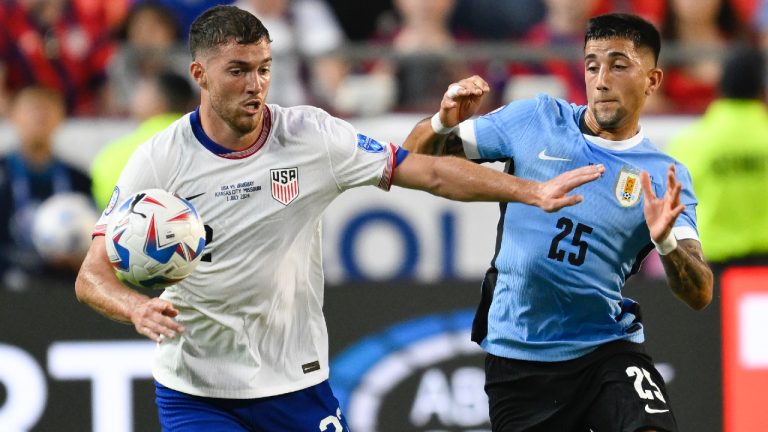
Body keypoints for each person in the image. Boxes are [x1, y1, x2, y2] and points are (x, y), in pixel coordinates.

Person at [74, 6, 605, 431]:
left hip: (296, 381)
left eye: (263, 69)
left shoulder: (312, 137)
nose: (255, 85)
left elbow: (430, 172)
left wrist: (530, 190)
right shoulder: (159, 159)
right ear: (200, 75)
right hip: (196, 390)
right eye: (237, 71)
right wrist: (137, 309)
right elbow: (91, 277)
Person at [403, 13, 713, 431]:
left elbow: (700, 293)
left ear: (652, 80)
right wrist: (442, 121)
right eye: (591, 65)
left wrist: (667, 244)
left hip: (606, 350)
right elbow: (413, 159)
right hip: (519, 358)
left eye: (618, 65)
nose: (601, 79)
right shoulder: (536, 119)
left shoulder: (662, 175)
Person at [666, 44, 768, 268]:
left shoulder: (689, 142)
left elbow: (671, 206)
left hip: (713, 269)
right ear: (762, 91)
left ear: (719, 89)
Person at [0, 86, 92, 291]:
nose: (39, 116)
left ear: (61, 116)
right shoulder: (4, 173)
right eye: (32, 108)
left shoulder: (79, 179)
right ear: (12, 115)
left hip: (65, 289)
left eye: (47, 109)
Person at [91, 71, 195, 210]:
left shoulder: (113, 154)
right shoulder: (208, 147)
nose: (135, 97)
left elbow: (105, 203)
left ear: (158, 103)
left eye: (143, 91)